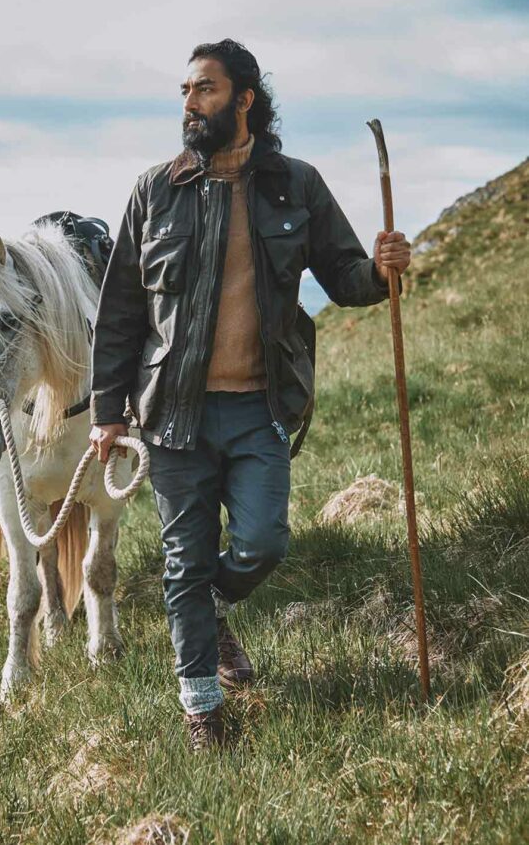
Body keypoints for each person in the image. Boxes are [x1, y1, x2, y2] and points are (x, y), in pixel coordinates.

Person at [88, 39, 411, 751]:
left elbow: (346, 275)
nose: (189, 104)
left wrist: (384, 270)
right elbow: (119, 312)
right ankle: (203, 709)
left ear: (245, 99)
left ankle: (208, 603)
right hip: (174, 414)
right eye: (184, 91)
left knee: (263, 541)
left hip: (260, 407)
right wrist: (108, 411)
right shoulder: (155, 190)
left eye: (204, 89)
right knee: (183, 560)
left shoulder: (296, 185)